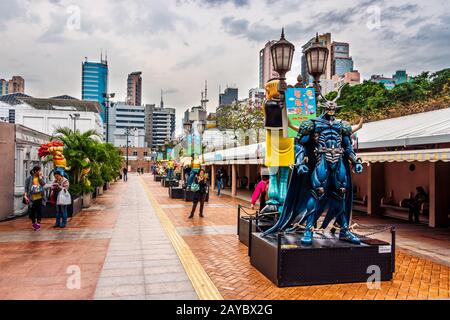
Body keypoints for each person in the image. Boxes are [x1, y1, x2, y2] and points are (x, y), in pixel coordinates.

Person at [24, 166, 46, 231]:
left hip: (39, 196)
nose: (40, 172)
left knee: (39, 210)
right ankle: (34, 223)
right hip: (32, 197)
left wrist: (40, 177)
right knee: (32, 212)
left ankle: (38, 224)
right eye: (39, 170)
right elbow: (26, 187)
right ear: (35, 171)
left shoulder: (39, 178)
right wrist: (25, 195)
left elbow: (43, 184)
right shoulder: (29, 178)